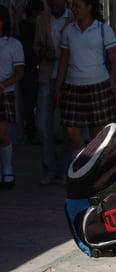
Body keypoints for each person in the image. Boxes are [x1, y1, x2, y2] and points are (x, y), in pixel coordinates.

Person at [55, 0, 116, 159]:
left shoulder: (103, 30)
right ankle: (81, 165)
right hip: (73, 86)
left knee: (97, 134)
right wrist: (58, 88)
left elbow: (115, 60)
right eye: (73, 6)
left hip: (97, 85)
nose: (74, 9)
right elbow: (63, 61)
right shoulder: (68, 31)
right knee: (71, 131)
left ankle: (92, 173)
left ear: (89, 7)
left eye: (77, 5)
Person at [33, 0, 72, 185]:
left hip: (69, 78)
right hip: (47, 76)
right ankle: (49, 165)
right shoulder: (42, 20)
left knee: (68, 126)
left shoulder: (72, 19)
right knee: (42, 124)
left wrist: (57, 54)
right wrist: (42, 52)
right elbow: (35, 46)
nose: (54, 3)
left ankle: (65, 169)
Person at [0, 4, 24, 190]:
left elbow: (19, 71)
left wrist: (3, 85)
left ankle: (8, 169)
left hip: (4, 93)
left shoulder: (13, 44)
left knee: (2, 133)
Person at [18, 0, 44, 144]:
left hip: (35, 68)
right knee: (30, 103)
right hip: (29, 69)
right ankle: (31, 132)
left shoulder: (27, 27)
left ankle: (32, 131)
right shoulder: (26, 28)